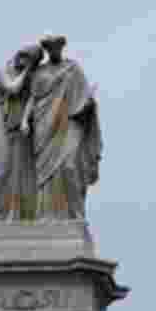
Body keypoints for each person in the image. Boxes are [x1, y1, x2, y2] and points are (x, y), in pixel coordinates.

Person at [28, 35, 102, 221]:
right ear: (46, 50)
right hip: (44, 125)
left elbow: (85, 97)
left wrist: (88, 105)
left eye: (57, 47)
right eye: (50, 48)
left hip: (70, 123)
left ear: (61, 48)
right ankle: (47, 216)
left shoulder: (73, 70)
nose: (54, 51)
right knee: (46, 175)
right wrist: (24, 120)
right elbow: (33, 99)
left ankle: (73, 214)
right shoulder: (39, 73)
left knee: (69, 166)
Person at [0, 44, 43, 221]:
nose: (24, 61)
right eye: (24, 57)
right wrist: (27, 71)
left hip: (20, 129)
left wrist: (26, 119)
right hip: (2, 125)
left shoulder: (31, 77)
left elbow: (33, 99)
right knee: (3, 172)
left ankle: (21, 214)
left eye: (29, 60)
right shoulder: (0, 72)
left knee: (22, 172)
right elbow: (12, 88)